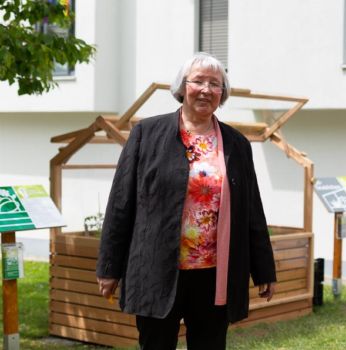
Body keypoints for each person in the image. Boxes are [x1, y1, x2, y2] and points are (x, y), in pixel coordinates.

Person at [96, 52, 277, 349]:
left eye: (215, 84)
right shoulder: (146, 133)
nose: (206, 89)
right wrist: (109, 265)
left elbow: (252, 211)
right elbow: (120, 203)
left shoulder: (237, 144)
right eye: (198, 81)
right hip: (157, 267)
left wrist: (264, 270)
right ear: (182, 87)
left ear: (223, 93)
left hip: (213, 275)